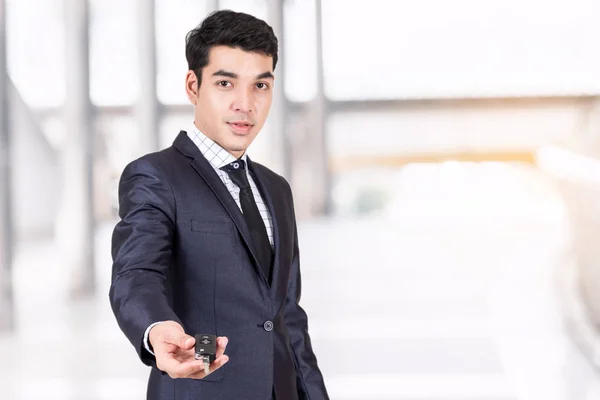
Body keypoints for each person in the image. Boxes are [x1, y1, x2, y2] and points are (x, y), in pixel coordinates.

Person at [109, 9, 330, 400]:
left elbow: (287, 317)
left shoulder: (276, 189)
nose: (245, 104)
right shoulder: (156, 176)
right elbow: (137, 272)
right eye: (226, 83)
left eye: (260, 86)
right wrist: (157, 328)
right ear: (193, 86)